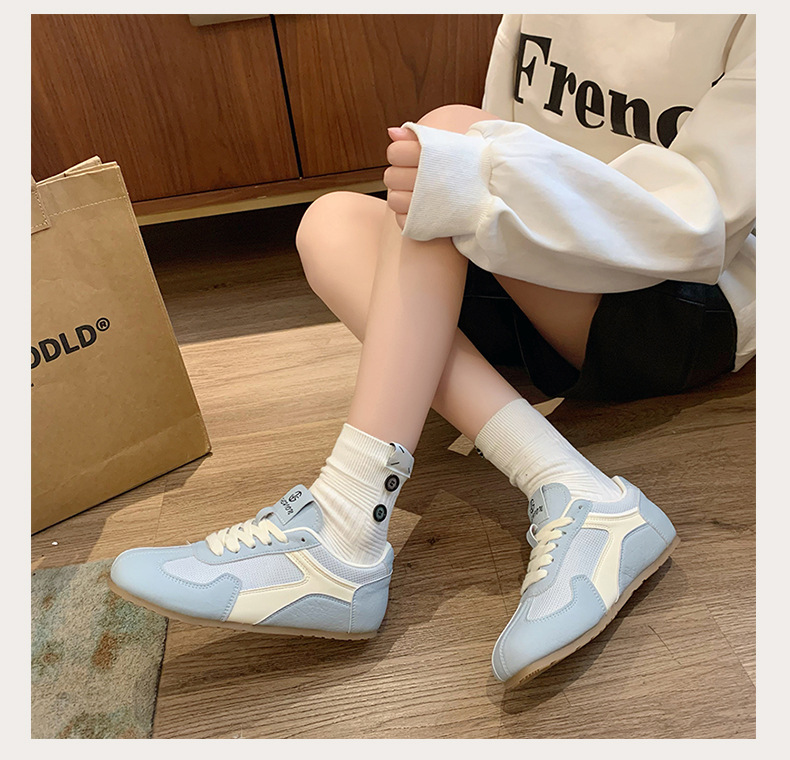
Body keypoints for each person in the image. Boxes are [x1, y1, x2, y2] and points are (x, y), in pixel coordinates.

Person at [109, 14, 755, 688]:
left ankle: (346, 523)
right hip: (558, 268)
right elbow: (507, 135)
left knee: (453, 139)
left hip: (685, 299)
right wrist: (472, 180)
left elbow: (702, 228)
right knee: (332, 221)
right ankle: (577, 491)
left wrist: (474, 174)